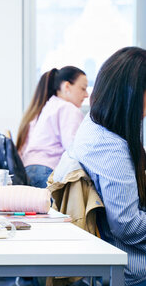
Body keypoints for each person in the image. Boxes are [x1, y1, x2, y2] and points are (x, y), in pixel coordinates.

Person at [57, 47, 146, 286]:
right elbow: (128, 226)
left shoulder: (94, 124)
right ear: (132, 94)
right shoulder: (110, 147)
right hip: (132, 266)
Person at [16, 66, 88, 188]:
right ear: (66, 87)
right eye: (83, 89)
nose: (86, 95)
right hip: (47, 170)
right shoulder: (68, 108)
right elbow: (73, 149)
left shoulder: (47, 106)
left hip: (28, 170)